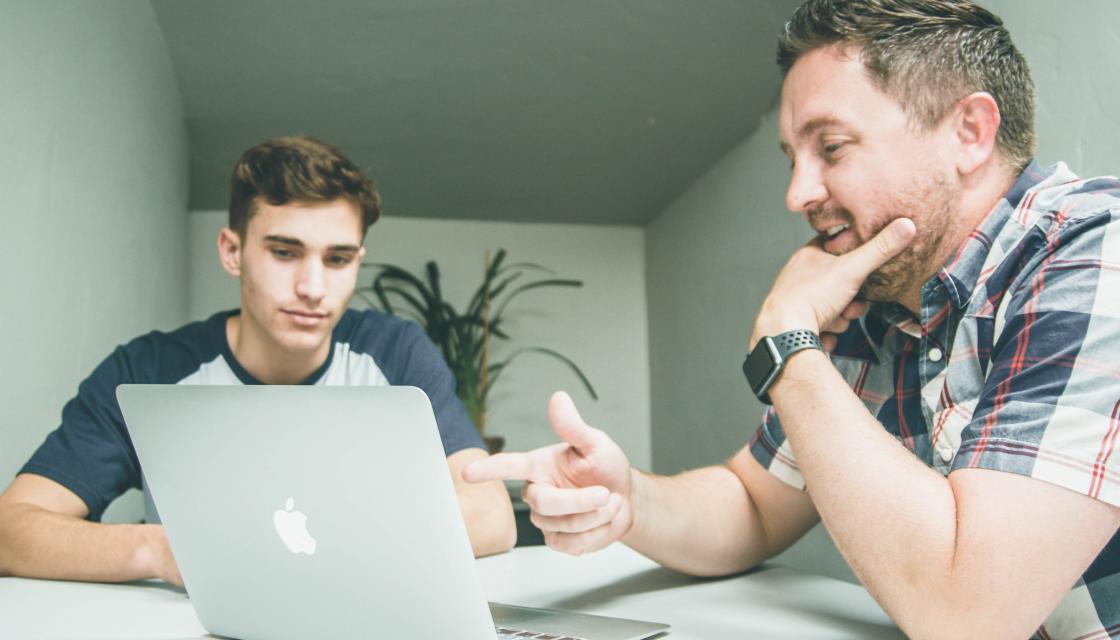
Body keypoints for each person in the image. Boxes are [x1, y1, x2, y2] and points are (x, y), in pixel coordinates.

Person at [464, 1, 1120, 637]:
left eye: (831, 148)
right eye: (791, 158)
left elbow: (970, 618)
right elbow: (752, 504)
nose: (797, 193)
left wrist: (789, 346)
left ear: (969, 132)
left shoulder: (1094, 256)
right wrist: (629, 499)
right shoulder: (882, 297)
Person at [0, 135, 516, 587]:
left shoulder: (394, 352)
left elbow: (492, 517)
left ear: (357, 261)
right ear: (232, 251)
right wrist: (159, 550)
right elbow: (12, 530)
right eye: (285, 252)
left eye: (336, 259)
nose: (313, 288)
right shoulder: (147, 371)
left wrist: (309, 540)